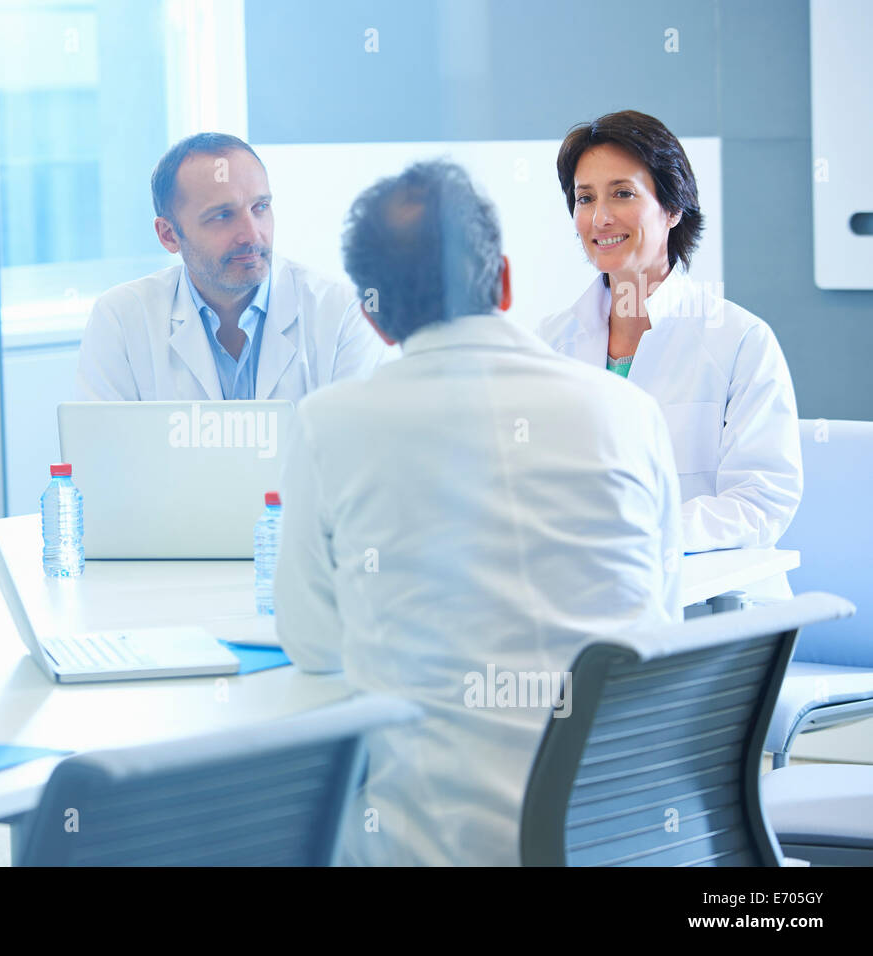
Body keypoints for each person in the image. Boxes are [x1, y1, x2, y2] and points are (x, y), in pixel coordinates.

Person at [274, 159, 683, 866]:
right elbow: (660, 617)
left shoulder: (329, 424)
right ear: (504, 281)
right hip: (625, 840)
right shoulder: (627, 412)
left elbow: (313, 643)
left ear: (371, 315)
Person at [537, 110, 801, 557]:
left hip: (710, 600)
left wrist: (640, 536)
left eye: (622, 193)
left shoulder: (740, 340)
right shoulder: (550, 342)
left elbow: (761, 501)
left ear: (674, 208)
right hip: (586, 594)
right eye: (585, 199)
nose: (600, 218)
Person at [74, 132, 388, 401]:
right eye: (223, 216)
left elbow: (358, 459)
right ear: (169, 235)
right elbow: (105, 459)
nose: (252, 235)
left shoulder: (343, 313)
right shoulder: (121, 320)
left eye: (260, 207)